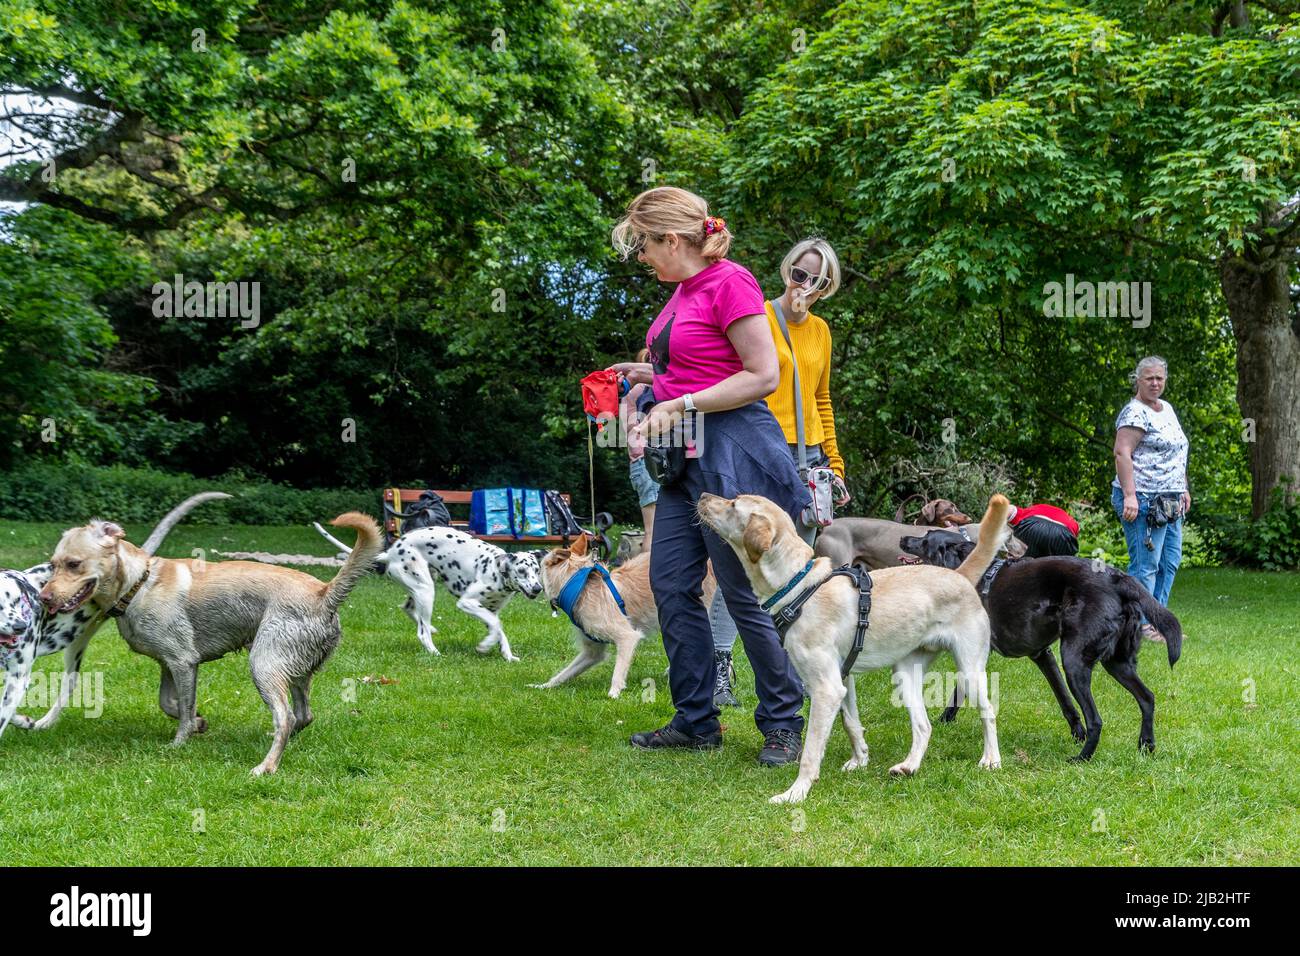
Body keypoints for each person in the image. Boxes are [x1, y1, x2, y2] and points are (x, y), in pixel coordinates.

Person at [607, 185, 810, 765]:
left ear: (674, 239)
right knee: (671, 584)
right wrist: (645, 375)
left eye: (644, 244)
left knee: (742, 594)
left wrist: (684, 403)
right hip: (684, 459)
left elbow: (762, 374)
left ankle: (783, 723)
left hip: (732, 453)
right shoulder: (680, 291)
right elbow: (695, 362)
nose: (642, 256)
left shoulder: (730, 282)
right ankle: (696, 720)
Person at [709, 237, 850, 707]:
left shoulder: (822, 331)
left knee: (794, 571)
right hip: (762, 447)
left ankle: (794, 672)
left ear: (828, 287)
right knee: (747, 563)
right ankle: (721, 666)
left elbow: (822, 399)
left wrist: (835, 463)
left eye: (818, 280)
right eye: (800, 274)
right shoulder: (759, 317)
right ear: (787, 270)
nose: (805, 285)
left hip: (808, 457)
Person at [1111, 355, 1190, 642]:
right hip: (1143, 500)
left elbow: (1176, 452)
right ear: (1138, 380)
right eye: (1149, 378)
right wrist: (1129, 495)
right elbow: (1122, 453)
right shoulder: (1134, 413)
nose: (1155, 383)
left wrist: (1183, 487)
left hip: (1170, 501)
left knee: (1170, 560)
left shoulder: (1166, 409)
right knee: (1146, 565)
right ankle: (1141, 624)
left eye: (1160, 378)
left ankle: (1159, 620)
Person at [622, 348, 659, 550]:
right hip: (649, 462)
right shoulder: (646, 388)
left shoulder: (630, 391)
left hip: (639, 464)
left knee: (652, 529)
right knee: (654, 530)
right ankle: (647, 579)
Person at [1007, 503, 1079, 557]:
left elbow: (1010, 510)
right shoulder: (1072, 521)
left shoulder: (1027, 510)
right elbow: (1075, 533)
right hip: (1064, 533)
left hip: (1033, 525)